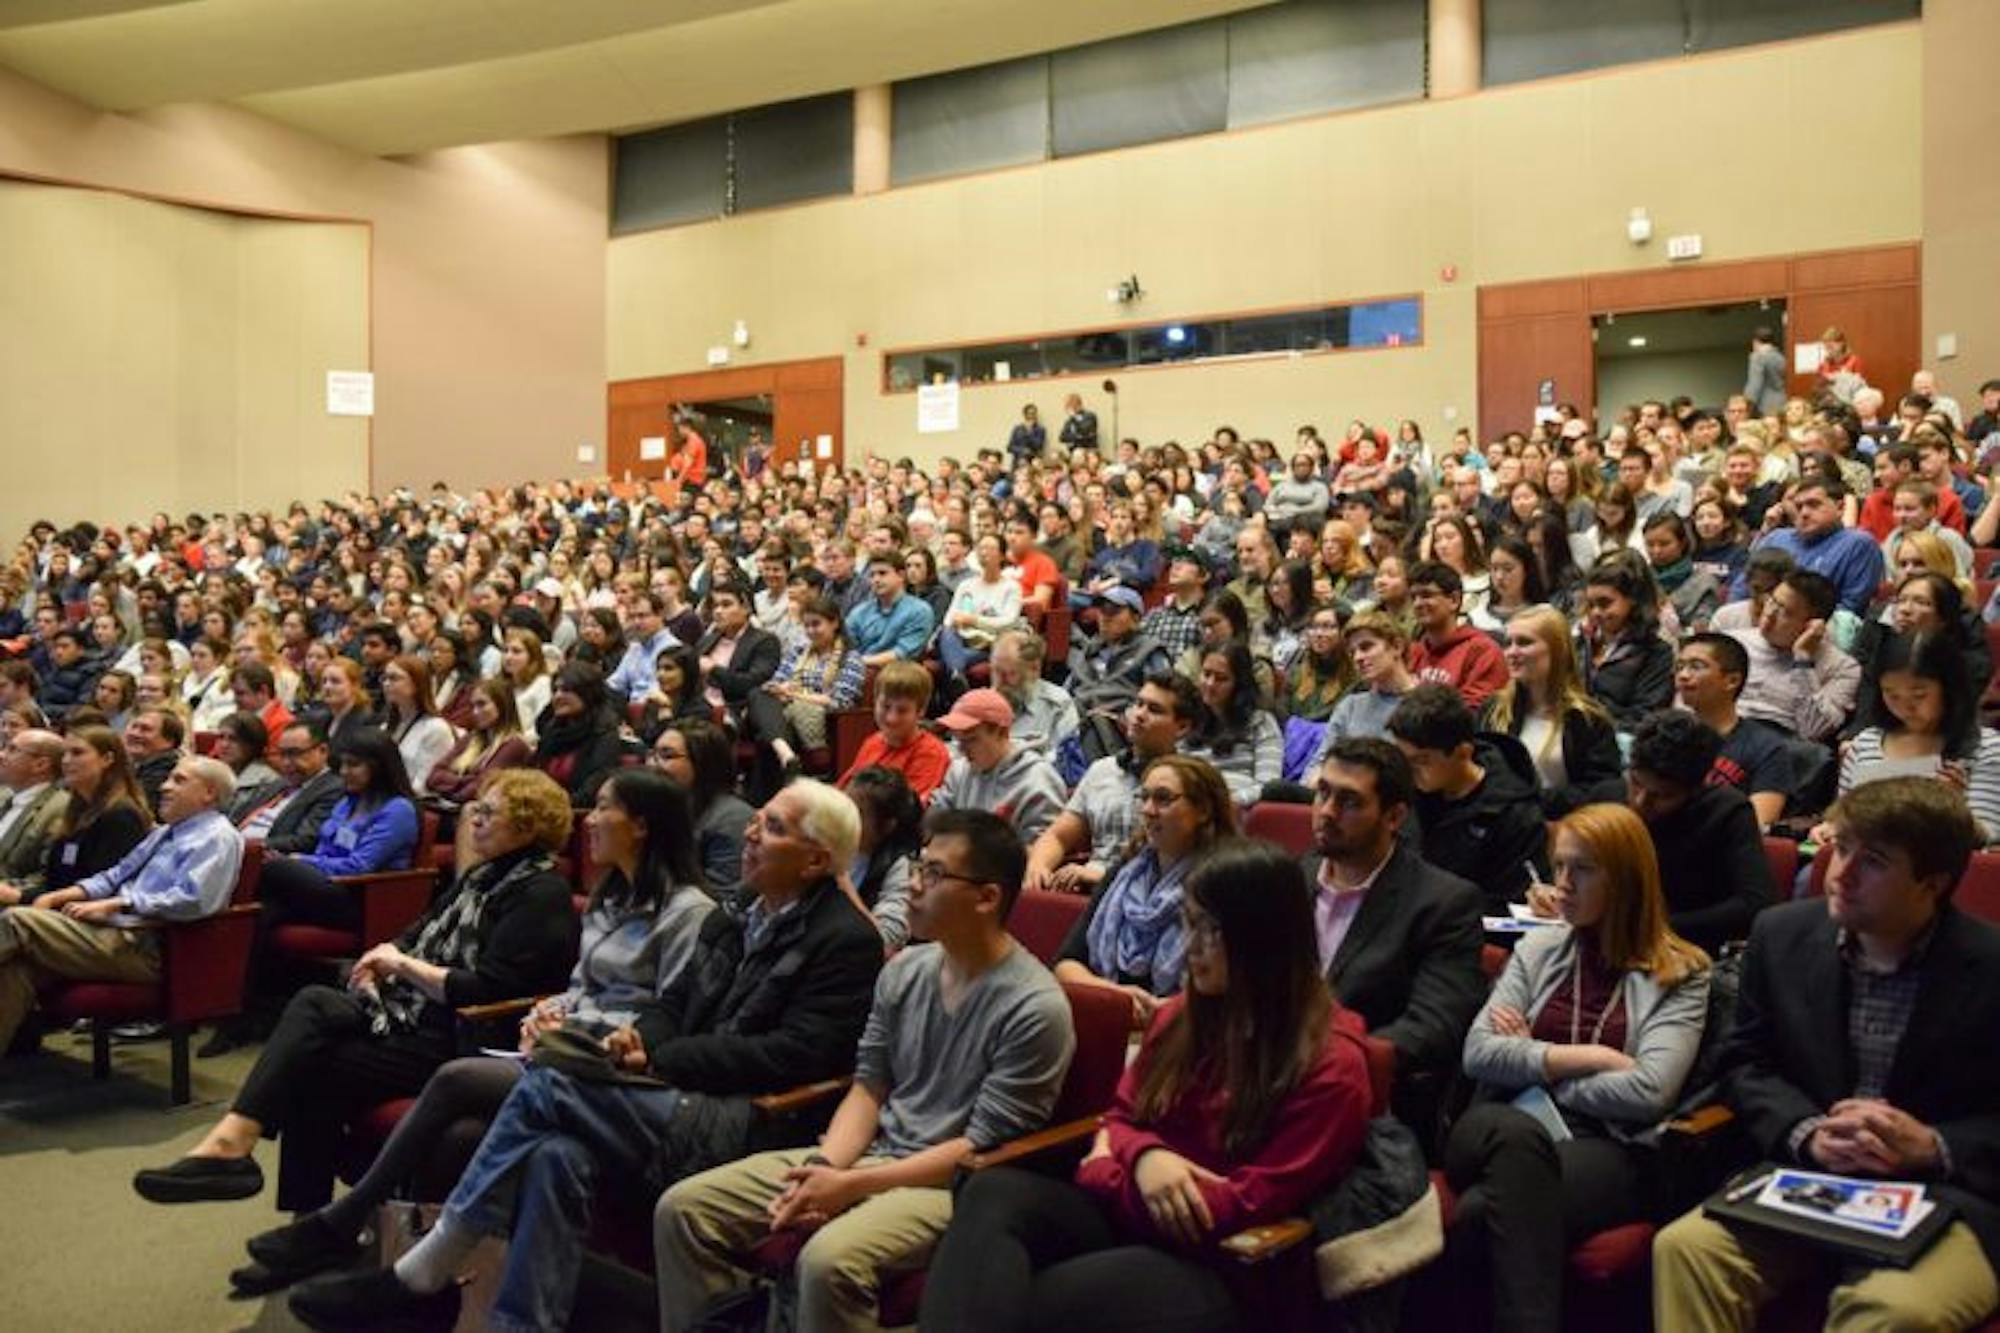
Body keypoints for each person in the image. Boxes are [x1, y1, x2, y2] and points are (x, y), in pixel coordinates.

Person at [290, 777, 886, 1331]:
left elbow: (797, 1055)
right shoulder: (737, 916)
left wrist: (660, 1058)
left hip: (751, 1120)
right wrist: (640, 1038)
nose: (752, 835)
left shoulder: (843, 939)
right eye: (757, 820)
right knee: (555, 1154)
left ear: (816, 861)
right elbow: (672, 1007)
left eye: (775, 828)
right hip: (675, 1094)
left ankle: (425, 1270)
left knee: (547, 1084)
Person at [225, 768, 717, 1294]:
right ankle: (321, 1228)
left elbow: (668, 1013)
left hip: (583, 1057)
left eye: (601, 807)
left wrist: (566, 1024)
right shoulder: (602, 897)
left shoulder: (677, 910)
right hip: (544, 1044)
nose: (589, 819)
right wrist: (551, 1011)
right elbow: (580, 986)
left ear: (641, 825)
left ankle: (350, 1231)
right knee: (318, 1054)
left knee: (443, 1098)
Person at [920, 838, 1374, 1333]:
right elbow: (1119, 1118)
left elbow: (1236, 1207)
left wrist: (1111, 1166)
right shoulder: (1181, 1015)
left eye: (1211, 929)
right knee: (991, 1193)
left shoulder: (1331, 1065)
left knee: (1027, 1302)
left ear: (1262, 937)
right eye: (1188, 922)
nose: (1191, 945)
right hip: (1135, 1213)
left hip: (1224, 1261)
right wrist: (1145, 1159)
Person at [655, 808, 1076, 1333]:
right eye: (917, 868)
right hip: (871, 1155)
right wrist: (824, 1167)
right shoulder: (904, 971)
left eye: (934, 875)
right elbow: (869, 1085)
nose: (914, 888)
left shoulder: (1035, 1007)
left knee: (830, 1261)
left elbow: (978, 1149)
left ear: (987, 897)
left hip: (949, 1187)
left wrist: (850, 1187)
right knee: (684, 1210)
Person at [132, 768, 578, 1210]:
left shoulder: (540, 894)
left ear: (528, 825)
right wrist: (383, 961)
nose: (474, 819)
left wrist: (401, 966)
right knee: (314, 1006)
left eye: (488, 812)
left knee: (313, 1063)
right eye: (475, 809)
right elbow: (413, 935)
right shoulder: (481, 879)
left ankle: (271, 1183)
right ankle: (251, 1161)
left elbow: (485, 990)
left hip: (466, 1036)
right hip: (419, 1014)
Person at [1653, 778, 2000, 1332]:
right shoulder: (1782, 934)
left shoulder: (1989, 968)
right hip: (1808, 1174)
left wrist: (1932, 1146)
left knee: (1891, 1310)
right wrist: (1806, 1131)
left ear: (1930, 884)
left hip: (1945, 1194)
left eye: (1875, 861)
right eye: (1840, 848)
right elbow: (1746, 1063)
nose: (1840, 873)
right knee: (1687, 1248)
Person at [1447, 803, 1710, 1333]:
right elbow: (1478, 1054)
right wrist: (1590, 1059)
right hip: (1492, 1121)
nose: (1561, 884)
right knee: (1515, 1134)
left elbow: (1649, 1092)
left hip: (1607, 1146)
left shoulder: (1680, 972)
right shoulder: (1537, 948)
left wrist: (1532, 1063)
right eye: (1559, 866)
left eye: (1582, 869)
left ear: (1627, 879)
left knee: (1479, 1213)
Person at [0, 756, 243, 1053]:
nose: (164, 787)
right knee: (17, 969)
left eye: (179, 781)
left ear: (209, 793)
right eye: (168, 778)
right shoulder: (165, 832)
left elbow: (194, 901)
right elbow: (116, 874)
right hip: (114, 934)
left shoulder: (216, 837)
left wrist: (122, 904)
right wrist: (66, 894)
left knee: (15, 920)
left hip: (148, 946)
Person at [1305, 738, 1485, 1105]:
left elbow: (1433, 1026)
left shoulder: (1444, 903)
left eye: (1349, 801)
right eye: (1323, 792)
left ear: (1394, 817)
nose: (1326, 811)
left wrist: (1333, 1063)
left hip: (1367, 1096)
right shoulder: (1289, 879)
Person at [1054, 755, 1236, 1024]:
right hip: (1111, 1016)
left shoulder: (1226, 883)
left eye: (1163, 798)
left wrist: (1162, 1012)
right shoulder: (1125, 873)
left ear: (1203, 811)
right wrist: (1116, 997)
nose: (1149, 810)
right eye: (1144, 797)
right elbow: (1066, 964)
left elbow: (1235, 988)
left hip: (1190, 1029)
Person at [1026, 673, 1199, 897]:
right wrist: (1038, 867)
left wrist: (1104, 876)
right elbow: (1058, 836)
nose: (1139, 715)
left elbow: (1186, 864)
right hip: (1089, 892)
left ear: (1182, 727)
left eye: (1154, 710)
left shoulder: (1193, 782)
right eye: (1138, 704)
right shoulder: (1102, 771)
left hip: (1153, 896)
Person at [1616, 713, 1773, 954]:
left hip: (1687, 948)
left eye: (1662, 796)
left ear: (1696, 789)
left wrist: (1657, 927)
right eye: (1636, 783)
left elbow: (1754, 904)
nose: (1640, 802)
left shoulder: (1727, 812)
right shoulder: (1611, 797)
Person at [1386, 683, 1547, 913]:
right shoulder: (1408, 793)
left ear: (1463, 753)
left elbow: (1510, 903)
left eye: (1420, 761)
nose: (1407, 770)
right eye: (1402, 758)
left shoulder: (1515, 815)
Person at [1832, 630, 2000, 843]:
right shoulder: (1865, 743)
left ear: (1948, 688)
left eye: (1919, 695)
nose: (1905, 707)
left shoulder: (1986, 747)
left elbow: (1987, 837)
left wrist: (1952, 809)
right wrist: (1830, 829)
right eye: (1891, 695)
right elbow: (1842, 819)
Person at [1482, 605, 1625, 817]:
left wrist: (1535, 801)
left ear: (1557, 650)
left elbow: (1604, 790)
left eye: (1524, 642)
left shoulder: (1588, 719)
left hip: (1568, 829)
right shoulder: (1493, 710)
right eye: (1508, 643)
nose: (1511, 652)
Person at [0, 726, 151, 907]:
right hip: (53, 905)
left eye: (77, 753)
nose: (66, 761)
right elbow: (55, 880)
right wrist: (22, 895)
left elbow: (103, 888)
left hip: (94, 917)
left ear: (107, 759)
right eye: (64, 754)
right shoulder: (77, 812)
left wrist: (20, 898)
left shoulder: (121, 816)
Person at [743, 593, 865, 798]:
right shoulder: (798, 651)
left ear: (834, 622)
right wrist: (780, 690)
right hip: (783, 711)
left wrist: (794, 694)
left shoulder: (850, 659)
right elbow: (777, 682)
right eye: (806, 626)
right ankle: (786, 755)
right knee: (759, 693)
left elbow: (840, 702)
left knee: (766, 738)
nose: (810, 631)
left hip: (814, 720)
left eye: (816, 624)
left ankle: (761, 798)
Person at [1727, 567, 1861, 743]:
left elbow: (1813, 730)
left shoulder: (1843, 668)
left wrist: (1803, 659)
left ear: (1811, 625)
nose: (1769, 614)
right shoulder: (1733, 641)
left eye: (1785, 611)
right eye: (1772, 601)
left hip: (1779, 751)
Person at [1673, 633, 1793, 829]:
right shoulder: (1669, 735)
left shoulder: (1766, 748)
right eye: (1679, 667)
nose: (1683, 675)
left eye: (1696, 666)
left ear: (1732, 680)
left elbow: (1758, 824)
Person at [930, 688, 1067, 845]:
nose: (961, 750)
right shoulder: (959, 769)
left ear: (1001, 732)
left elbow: (1040, 849)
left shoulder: (1038, 780)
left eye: (970, 740)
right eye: (957, 740)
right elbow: (937, 823)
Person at [1734, 476, 1883, 617]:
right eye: (1799, 507)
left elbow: (1849, 610)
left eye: (1814, 504)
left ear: (1840, 507)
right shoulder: (1776, 538)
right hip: (1755, 623)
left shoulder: (1858, 544)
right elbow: (1741, 589)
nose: (1804, 513)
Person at [649, 718, 756, 909]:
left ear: (703, 762)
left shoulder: (732, 819)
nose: (652, 765)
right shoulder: (659, 811)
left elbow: (725, 903)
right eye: (653, 755)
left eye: (666, 756)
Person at [1577, 550, 1676, 728]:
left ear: (1631, 600)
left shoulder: (1656, 652)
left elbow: (1646, 716)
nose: (1596, 612)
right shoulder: (1580, 642)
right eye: (1591, 605)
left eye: (1605, 603)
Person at [1181, 639, 1284, 807]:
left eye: (1221, 679)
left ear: (1239, 684)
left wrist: (1226, 803)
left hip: (1238, 812)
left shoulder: (1261, 723)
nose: (1210, 684)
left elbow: (1268, 786)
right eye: (1206, 674)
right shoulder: (1189, 721)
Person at [837, 660, 952, 801]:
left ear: (921, 711)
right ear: (875, 702)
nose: (892, 718)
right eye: (885, 706)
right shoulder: (873, 742)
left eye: (902, 711)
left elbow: (908, 813)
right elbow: (843, 790)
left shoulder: (932, 752)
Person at [1406, 561, 1509, 711]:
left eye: (1426, 595)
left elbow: (1475, 712)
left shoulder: (1483, 651)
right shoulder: (1413, 652)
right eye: (1413, 597)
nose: (1417, 603)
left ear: (1454, 600)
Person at [843, 765, 923, 951]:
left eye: (858, 812)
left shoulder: (901, 866)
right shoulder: (828, 842)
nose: (845, 817)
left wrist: (842, 883)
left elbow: (887, 940)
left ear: (887, 825)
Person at [422, 679, 533, 810]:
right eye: (473, 706)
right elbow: (433, 776)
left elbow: (478, 789)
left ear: (502, 705)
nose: (475, 712)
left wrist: (449, 785)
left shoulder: (515, 745)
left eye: (482, 704)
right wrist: (466, 781)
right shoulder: (471, 738)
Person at [533, 660, 629, 807]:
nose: (558, 696)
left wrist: (551, 808)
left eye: (566, 690)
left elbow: (590, 793)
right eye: (555, 690)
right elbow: (533, 774)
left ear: (587, 693)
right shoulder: (552, 730)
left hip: (573, 813)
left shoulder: (604, 735)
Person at [937, 531, 1024, 682]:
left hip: (990, 644)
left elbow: (1008, 621)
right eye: (981, 548)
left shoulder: (1011, 587)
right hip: (963, 639)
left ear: (1002, 555)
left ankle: (955, 675)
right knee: (946, 631)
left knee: (950, 657)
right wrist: (957, 621)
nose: (984, 552)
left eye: (990, 549)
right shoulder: (966, 585)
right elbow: (949, 618)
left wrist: (974, 620)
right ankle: (957, 677)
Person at [378, 655, 456, 800]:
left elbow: (423, 786)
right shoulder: (385, 727)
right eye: (384, 678)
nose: (386, 684)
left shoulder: (435, 729)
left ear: (417, 684)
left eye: (394, 678)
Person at [0, 729, 69, 887]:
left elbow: (46, 876)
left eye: (12, 750)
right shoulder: (5, 797)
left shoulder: (60, 808)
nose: (1, 755)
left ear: (40, 765)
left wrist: (14, 891)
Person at [604, 591, 681, 706]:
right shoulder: (635, 648)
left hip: (655, 710)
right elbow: (615, 683)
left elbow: (658, 693)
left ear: (660, 614)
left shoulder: (673, 648)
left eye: (642, 616)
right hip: (631, 709)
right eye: (632, 617)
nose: (636, 622)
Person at [122, 706, 186, 819]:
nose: (135, 734)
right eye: (133, 727)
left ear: (169, 741)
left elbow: (132, 813)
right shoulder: (134, 765)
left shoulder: (166, 772)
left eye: (145, 729)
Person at [1743, 326, 1788, 417]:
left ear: (1755, 342)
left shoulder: (1757, 357)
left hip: (1765, 405)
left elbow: (1755, 383)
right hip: (1782, 401)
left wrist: (1746, 403)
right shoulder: (1780, 357)